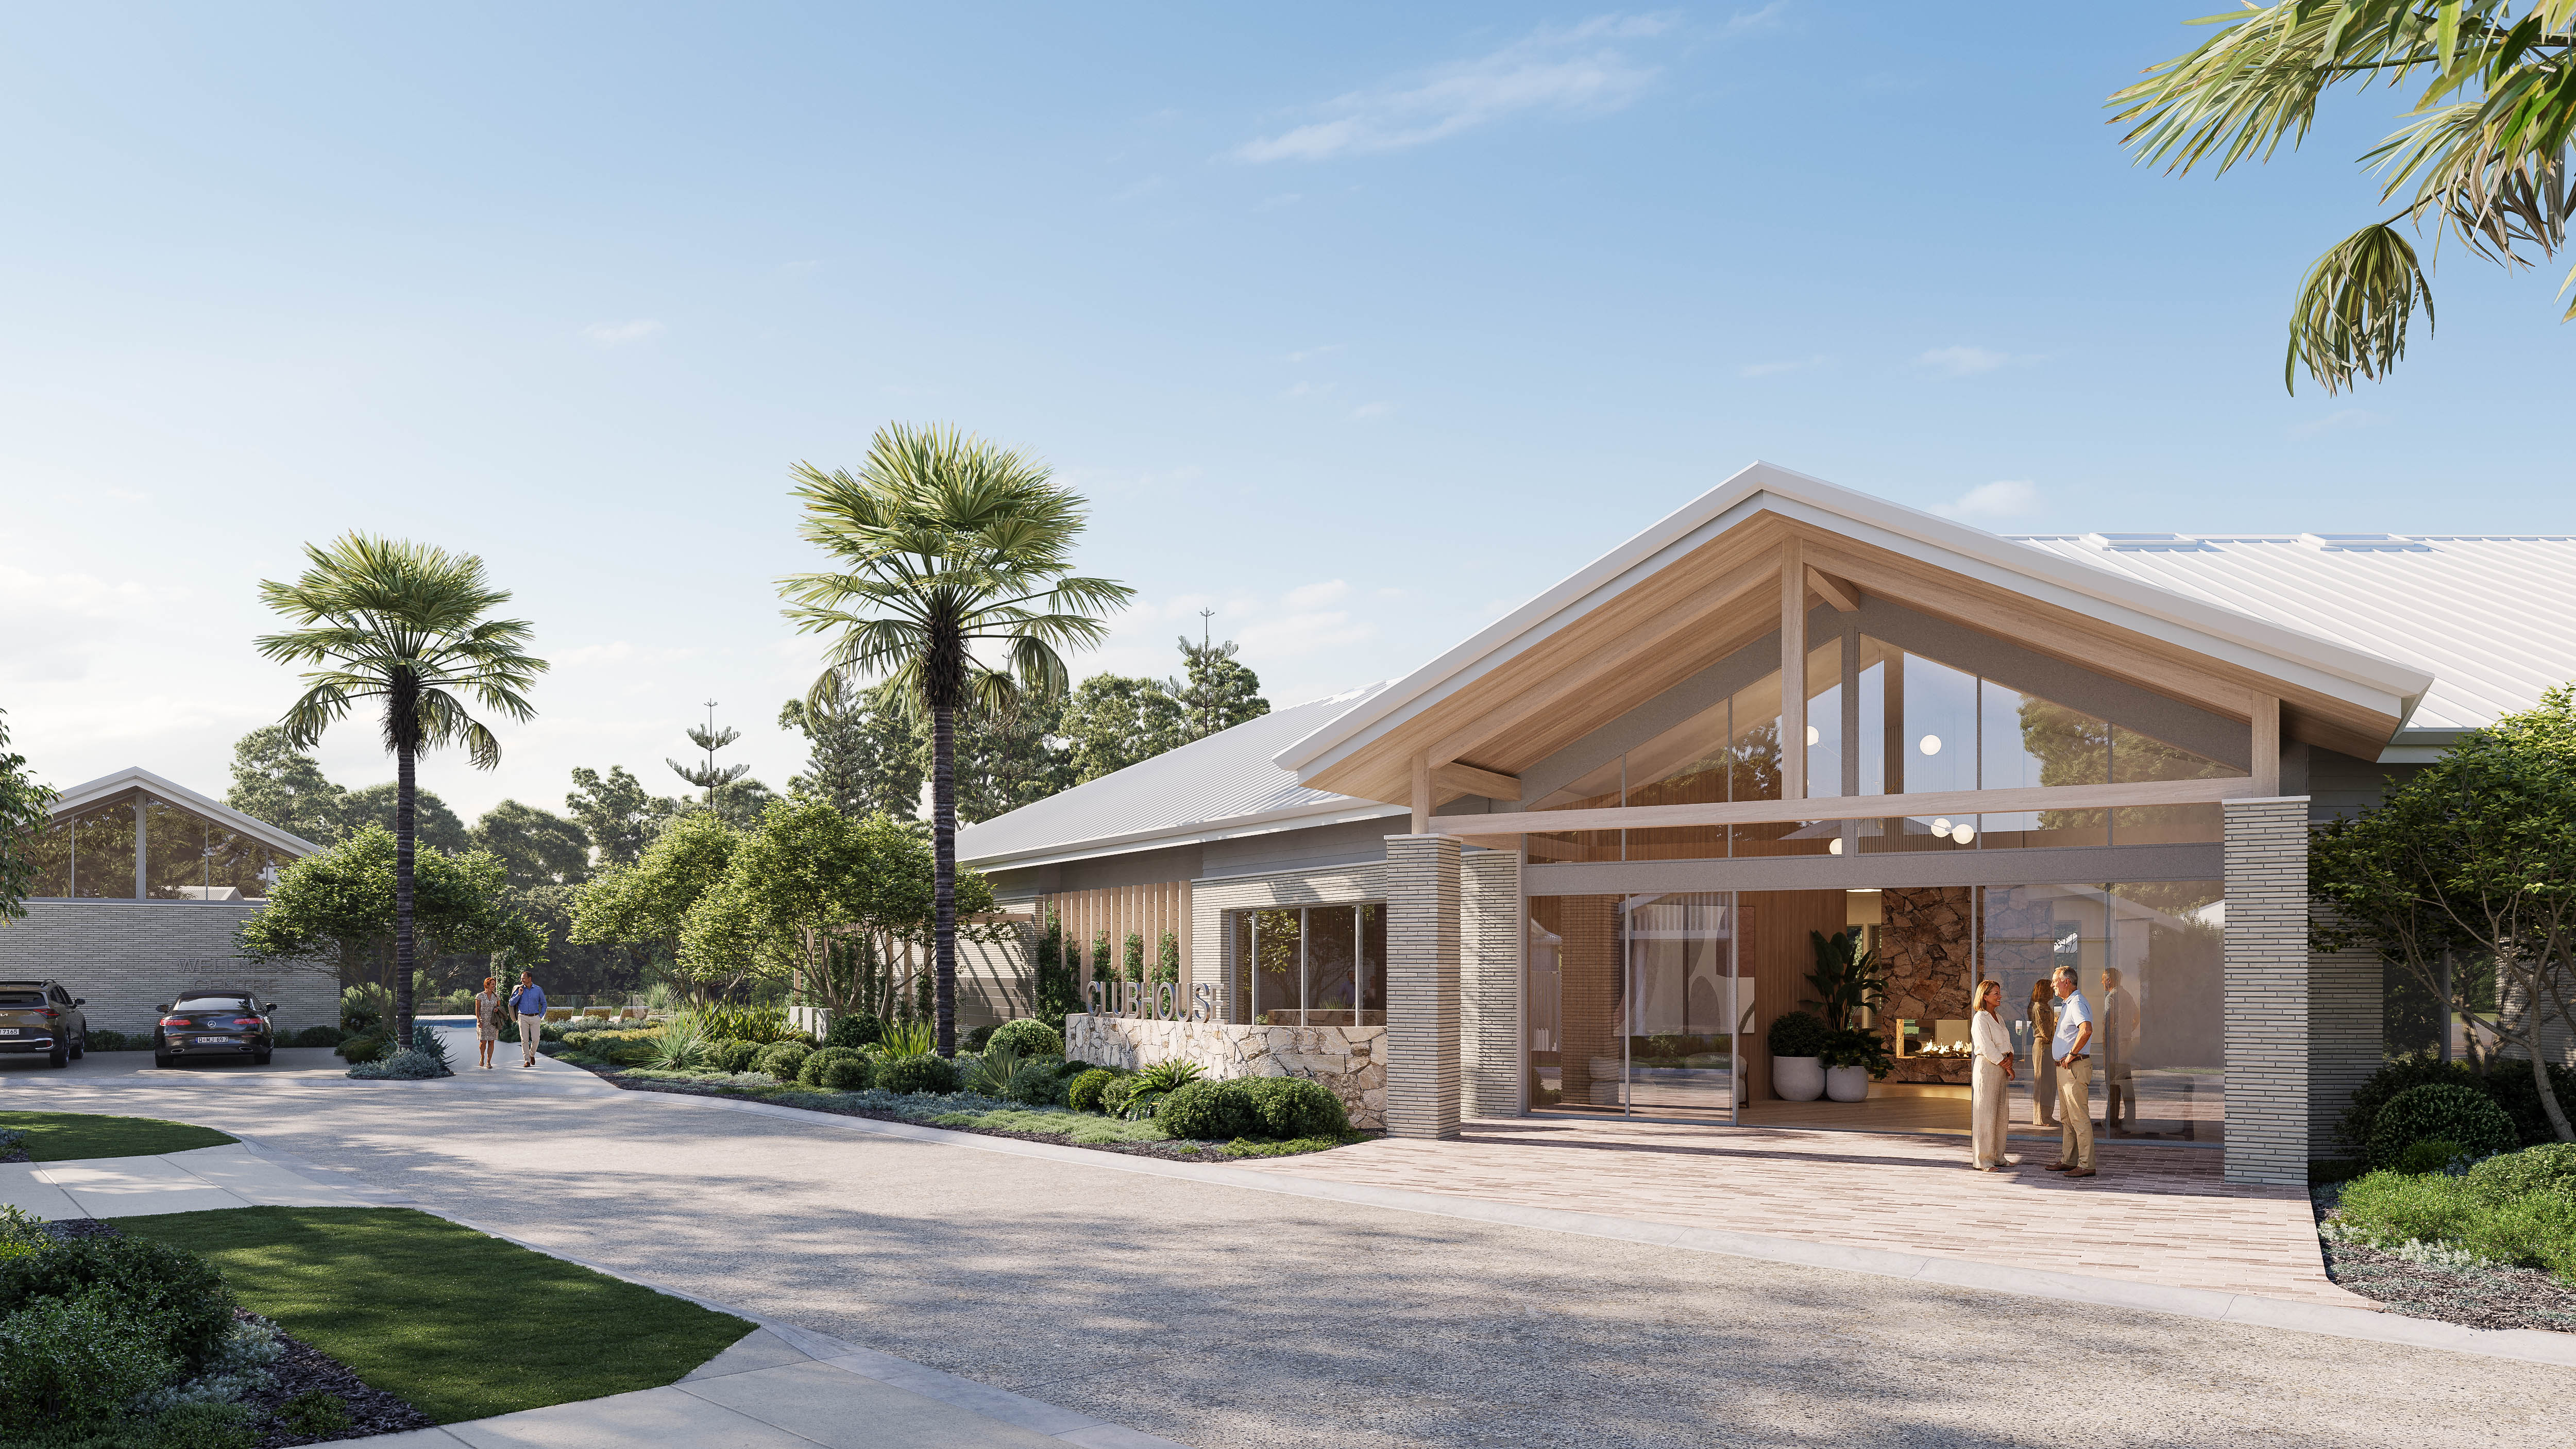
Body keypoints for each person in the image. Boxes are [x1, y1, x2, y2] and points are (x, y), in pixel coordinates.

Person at [2046, 965, 2096, 1179]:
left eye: (2055, 981)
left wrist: (2072, 1054)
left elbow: (2086, 1029)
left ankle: (2086, 1164)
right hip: (2066, 1069)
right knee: (2067, 1118)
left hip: (2074, 1067)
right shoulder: (2069, 1003)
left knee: (2079, 1118)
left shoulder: (2077, 1003)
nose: (2052, 985)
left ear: (2066, 982)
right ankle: (2069, 1160)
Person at [1968, 979, 2019, 1171]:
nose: (2000, 996)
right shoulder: (1980, 1018)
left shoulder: (1999, 1017)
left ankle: (1998, 1156)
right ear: (1985, 997)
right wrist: (2006, 1065)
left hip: (2001, 1067)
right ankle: (1984, 1160)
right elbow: (1986, 1046)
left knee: (2001, 1114)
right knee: (1986, 1114)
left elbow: (2007, 1043)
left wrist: (2011, 1057)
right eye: (1996, 993)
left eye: (1999, 992)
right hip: (1987, 1068)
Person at [2099, 966, 2140, 1136]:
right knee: (2125, 1081)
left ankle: (2112, 1119)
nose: (2101, 982)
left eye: (2103, 979)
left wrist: (2106, 1046)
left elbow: (2108, 1023)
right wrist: (2128, 1031)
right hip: (2125, 1043)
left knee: (2112, 1082)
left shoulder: (2112, 997)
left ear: (2109, 980)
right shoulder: (2126, 995)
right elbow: (2137, 1016)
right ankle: (2127, 1118)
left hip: (2115, 1046)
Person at [2026, 980, 2060, 1128]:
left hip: (2049, 1046)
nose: (2053, 991)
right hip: (2043, 1046)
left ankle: (2048, 1115)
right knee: (2042, 1082)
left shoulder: (2047, 1007)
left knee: (2050, 1083)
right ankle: (2040, 1117)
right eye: (2050, 989)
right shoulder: (2038, 1007)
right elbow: (2045, 1030)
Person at [509, 972, 547, 1068]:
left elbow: (544, 1004)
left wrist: (540, 1016)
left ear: (530, 979)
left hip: (535, 1017)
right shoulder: (519, 989)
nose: (522, 980)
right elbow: (511, 1003)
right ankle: (527, 1060)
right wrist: (519, 994)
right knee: (524, 1040)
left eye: (523, 978)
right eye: (521, 978)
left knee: (536, 1039)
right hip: (523, 1017)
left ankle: (532, 1054)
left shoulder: (538, 990)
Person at [472, 975, 502, 1070]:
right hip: (483, 1022)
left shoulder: (496, 996)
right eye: (493, 984)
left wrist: (497, 1009)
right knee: (483, 1042)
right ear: (487, 985)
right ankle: (482, 1057)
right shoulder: (480, 996)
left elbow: (499, 1008)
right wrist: (479, 1020)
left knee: (492, 1042)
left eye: (495, 984)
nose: (494, 986)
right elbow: (477, 1010)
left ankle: (489, 1062)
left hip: (493, 1022)